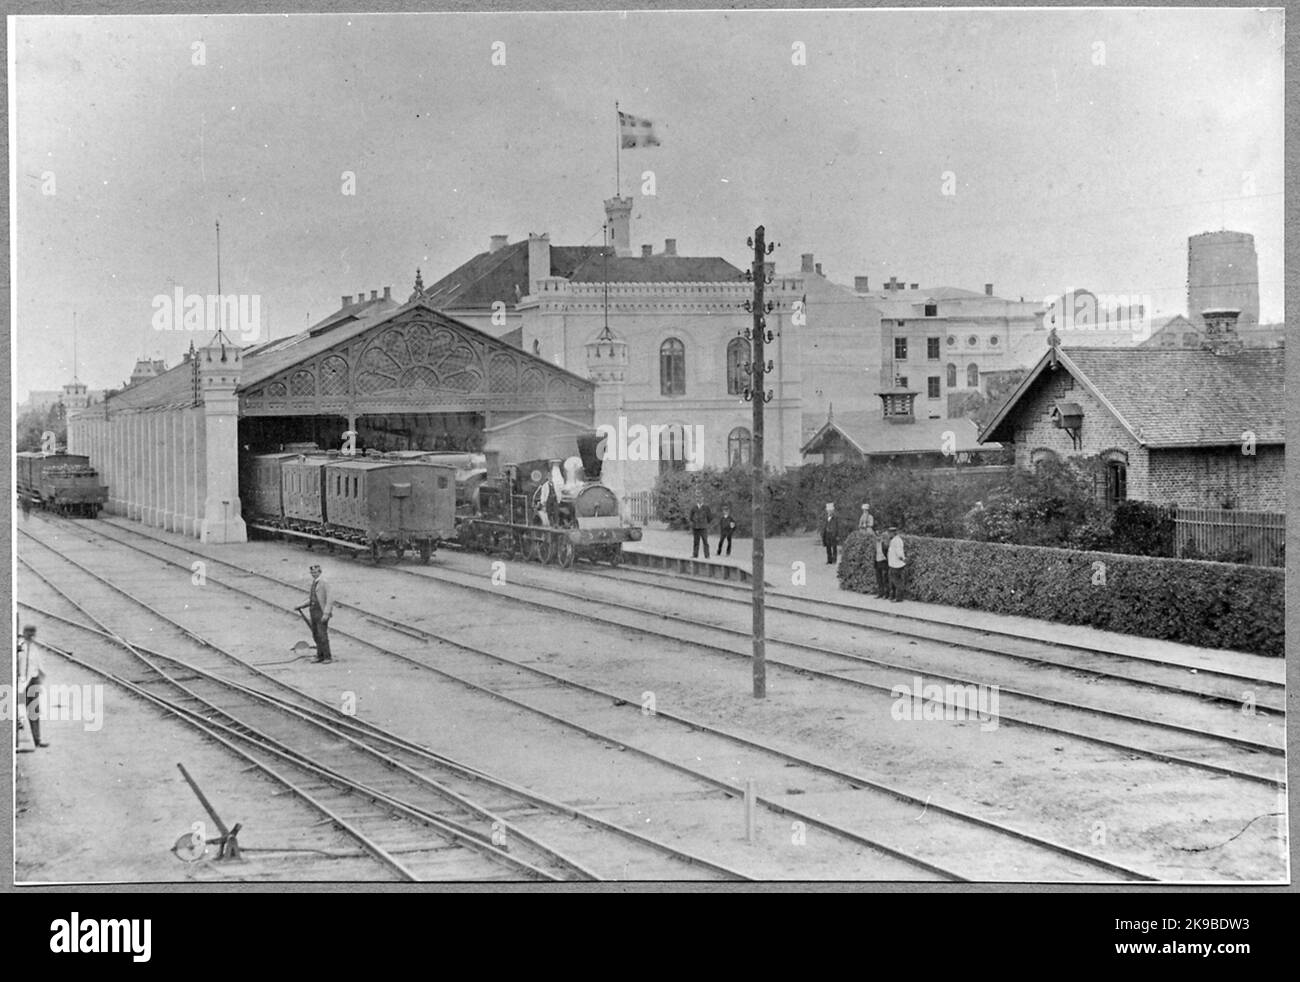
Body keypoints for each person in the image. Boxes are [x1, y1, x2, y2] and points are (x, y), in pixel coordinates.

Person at [17, 625, 49, 749]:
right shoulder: (19, 646)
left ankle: (37, 740)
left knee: (34, 711)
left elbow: (39, 666)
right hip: (21, 682)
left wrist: (39, 681)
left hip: (33, 681)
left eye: (32, 634)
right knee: (19, 711)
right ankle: (20, 742)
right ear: (24, 633)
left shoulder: (35, 648)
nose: (31, 636)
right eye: (28, 633)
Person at [301, 564, 334, 663]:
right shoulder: (314, 582)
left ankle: (327, 657)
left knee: (322, 635)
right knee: (316, 634)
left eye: (315, 572)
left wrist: (326, 613)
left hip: (321, 612)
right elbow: (312, 598)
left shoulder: (324, 582)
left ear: (320, 572)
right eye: (312, 573)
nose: (313, 574)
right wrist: (301, 605)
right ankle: (319, 655)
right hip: (313, 611)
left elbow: (330, 599)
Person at [887, 526, 908, 601]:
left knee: (897, 582)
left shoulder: (896, 541)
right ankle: (894, 596)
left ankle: (899, 598)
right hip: (894, 564)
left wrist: (902, 559)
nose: (889, 534)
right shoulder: (894, 540)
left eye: (890, 533)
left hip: (896, 565)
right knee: (895, 581)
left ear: (893, 533)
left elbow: (899, 552)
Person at [873, 527, 889, 597]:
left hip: (883, 562)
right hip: (877, 562)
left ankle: (886, 594)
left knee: (885, 579)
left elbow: (886, 552)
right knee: (879, 579)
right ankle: (880, 593)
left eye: (879, 535)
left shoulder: (884, 544)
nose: (877, 537)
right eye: (876, 535)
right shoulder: (875, 544)